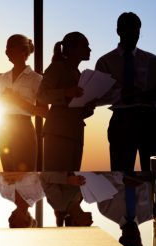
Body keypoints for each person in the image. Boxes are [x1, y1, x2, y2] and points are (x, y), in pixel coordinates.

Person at [95, 12, 156, 172]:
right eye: (129, 31)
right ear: (119, 31)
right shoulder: (105, 62)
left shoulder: (151, 59)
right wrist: (122, 93)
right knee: (120, 174)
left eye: (136, 32)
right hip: (123, 120)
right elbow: (98, 97)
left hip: (151, 120)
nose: (134, 35)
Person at [37, 32, 95, 171]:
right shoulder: (57, 68)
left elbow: (74, 107)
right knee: (57, 177)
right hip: (58, 134)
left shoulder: (78, 74)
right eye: (85, 46)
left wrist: (89, 107)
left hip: (75, 134)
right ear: (72, 49)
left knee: (70, 178)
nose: (89, 49)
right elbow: (41, 95)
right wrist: (66, 92)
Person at [0, 34, 47, 172]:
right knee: (8, 174)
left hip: (24, 128)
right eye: (6, 48)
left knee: (26, 175)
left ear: (23, 51)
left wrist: (17, 101)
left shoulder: (36, 79)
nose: (7, 51)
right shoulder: (1, 79)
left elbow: (44, 112)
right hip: (3, 128)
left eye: (11, 47)